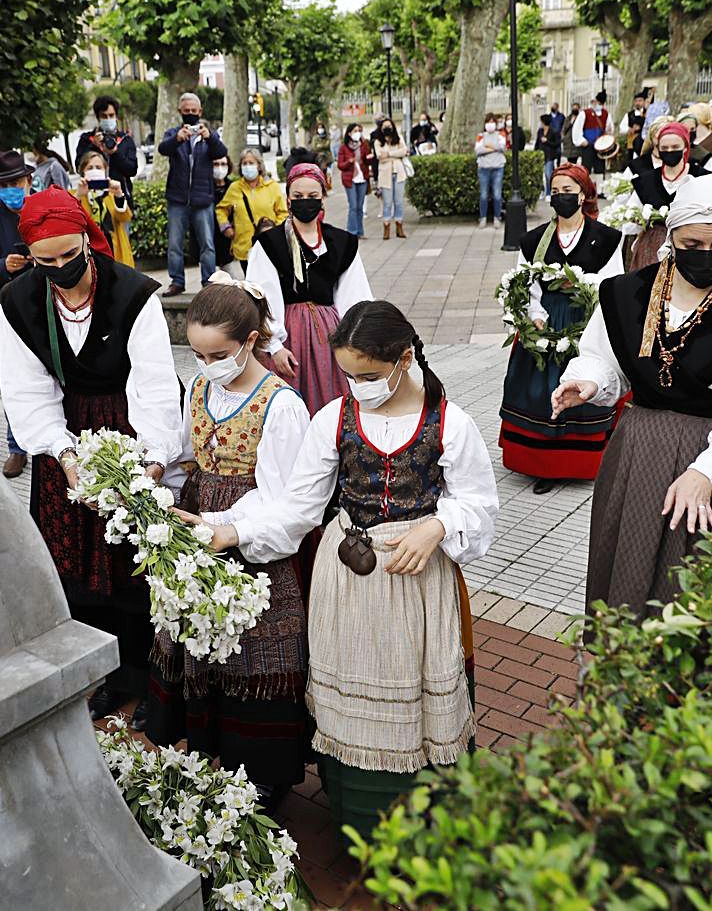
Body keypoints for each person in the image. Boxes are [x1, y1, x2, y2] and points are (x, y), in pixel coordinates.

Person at [182, 299, 498, 841]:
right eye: (348, 374)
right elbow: (298, 505)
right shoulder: (333, 419)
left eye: (369, 375)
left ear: (404, 358)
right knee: (351, 694)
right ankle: (360, 821)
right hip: (346, 577)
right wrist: (230, 530)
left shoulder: (450, 421)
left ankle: (424, 826)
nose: (357, 386)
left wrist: (437, 527)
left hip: (416, 582)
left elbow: (478, 501)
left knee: (416, 693)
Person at [556, 175, 712, 625]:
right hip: (638, 453)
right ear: (671, 235)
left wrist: (705, 471)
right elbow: (601, 356)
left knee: (700, 582)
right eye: (693, 242)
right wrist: (589, 381)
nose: (707, 253)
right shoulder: (627, 293)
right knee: (627, 570)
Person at [0, 187, 182, 728]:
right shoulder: (18, 301)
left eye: (68, 256)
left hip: (128, 425)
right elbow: (27, 392)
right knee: (79, 569)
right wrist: (62, 450)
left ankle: (156, 683)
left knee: (138, 567)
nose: (59, 268)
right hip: (68, 436)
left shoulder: (133, 293)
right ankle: (110, 677)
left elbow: (153, 387)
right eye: (45, 261)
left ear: (86, 239)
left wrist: (150, 459)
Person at [144, 275, 312, 811]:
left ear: (251, 340)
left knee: (253, 650)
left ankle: (265, 774)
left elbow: (287, 500)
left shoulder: (281, 404)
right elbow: (189, 445)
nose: (206, 363)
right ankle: (209, 748)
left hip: (250, 531)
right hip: (198, 520)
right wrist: (158, 463)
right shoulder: (201, 386)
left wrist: (229, 528)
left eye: (217, 353)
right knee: (196, 638)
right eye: (196, 353)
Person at [499, 164, 625, 493]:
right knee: (542, 391)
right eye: (555, 192)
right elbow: (526, 284)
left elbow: (613, 285)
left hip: (588, 319)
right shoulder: (534, 239)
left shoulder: (606, 238)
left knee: (584, 385)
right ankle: (546, 466)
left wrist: (591, 319)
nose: (561, 197)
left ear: (583, 194)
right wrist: (536, 318)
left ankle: (589, 460)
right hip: (547, 322)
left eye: (568, 191)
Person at [245, 162, 374, 415]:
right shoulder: (270, 244)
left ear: (323, 197)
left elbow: (354, 297)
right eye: (298, 196)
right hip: (289, 336)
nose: (306, 202)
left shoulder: (340, 242)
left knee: (336, 407)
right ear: (288, 199)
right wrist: (275, 347)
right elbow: (262, 297)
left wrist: (357, 341)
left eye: (313, 196)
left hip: (331, 336)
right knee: (288, 407)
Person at [0, 150, 44, 478]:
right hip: (11, 309)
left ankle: (55, 441)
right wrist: (3, 265)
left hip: (48, 302)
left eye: (16, 182)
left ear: (29, 180)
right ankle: (16, 447)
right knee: (15, 381)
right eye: (4, 185)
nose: (11, 190)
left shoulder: (44, 209)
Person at [159, 92, 230, 296]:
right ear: (180, 112)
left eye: (194, 111)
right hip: (177, 198)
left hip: (202, 198)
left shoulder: (209, 134)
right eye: (186, 111)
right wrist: (177, 140)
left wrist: (210, 138)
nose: (190, 114)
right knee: (174, 243)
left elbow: (221, 152)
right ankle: (177, 281)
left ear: (200, 112)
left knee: (207, 243)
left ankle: (209, 282)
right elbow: (163, 149)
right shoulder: (173, 133)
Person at [626, 121, 698, 270]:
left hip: (690, 245)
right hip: (650, 247)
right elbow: (631, 214)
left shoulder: (700, 178)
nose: (670, 151)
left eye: (675, 147)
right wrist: (638, 219)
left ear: (685, 147)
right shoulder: (645, 181)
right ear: (657, 149)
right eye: (665, 148)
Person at [216, 148, 287, 266]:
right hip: (244, 248)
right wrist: (225, 227)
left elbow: (283, 213)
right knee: (250, 283)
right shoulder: (235, 188)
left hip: (269, 245)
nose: (247, 166)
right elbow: (221, 209)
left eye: (251, 163)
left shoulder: (272, 187)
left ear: (259, 166)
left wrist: (275, 232)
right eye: (244, 163)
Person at [74, 149, 134, 267]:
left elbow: (125, 218)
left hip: (113, 252)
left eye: (98, 167)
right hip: (89, 254)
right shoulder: (76, 195)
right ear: (83, 172)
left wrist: (119, 195)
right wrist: (79, 196)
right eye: (90, 168)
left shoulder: (111, 194)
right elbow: (71, 221)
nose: (94, 170)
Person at [77, 94, 140, 206]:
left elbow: (132, 170)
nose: (108, 119)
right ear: (98, 118)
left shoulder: (125, 140)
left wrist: (115, 152)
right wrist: (94, 146)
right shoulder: (87, 139)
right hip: (93, 200)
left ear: (116, 116)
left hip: (119, 197)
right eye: (104, 116)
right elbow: (79, 167)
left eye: (111, 115)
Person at [335, 122, 373, 239]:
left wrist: (369, 158)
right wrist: (349, 161)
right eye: (355, 131)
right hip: (350, 179)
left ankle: (360, 232)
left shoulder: (363, 145)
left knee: (360, 207)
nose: (358, 133)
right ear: (349, 133)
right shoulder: (344, 147)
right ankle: (352, 232)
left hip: (362, 178)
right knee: (353, 206)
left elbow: (368, 161)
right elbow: (340, 165)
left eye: (359, 131)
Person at [376, 121, 410, 239]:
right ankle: (386, 227)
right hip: (385, 176)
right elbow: (380, 156)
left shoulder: (399, 138)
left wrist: (389, 153)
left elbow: (404, 151)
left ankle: (399, 226)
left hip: (399, 174)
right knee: (387, 203)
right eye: (384, 126)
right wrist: (395, 155)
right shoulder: (378, 142)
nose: (387, 128)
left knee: (399, 202)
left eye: (389, 126)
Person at [475, 114, 507, 230]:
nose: (490, 124)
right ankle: (482, 218)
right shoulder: (480, 136)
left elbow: (503, 147)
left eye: (492, 122)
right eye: (488, 122)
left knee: (497, 195)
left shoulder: (501, 134)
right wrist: (494, 148)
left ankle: (497, 217)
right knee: (483, 195)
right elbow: (478, 150)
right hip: (483, 168)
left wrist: (488, 146)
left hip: (498, 167)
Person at [536, 103, 563, 194]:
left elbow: (556, 143)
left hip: (549, 156)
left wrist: (547, 141)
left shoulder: (553, 131)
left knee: (548, 174)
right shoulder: (540, 131)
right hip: (540, 155)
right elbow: (537, 142)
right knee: (539, 175)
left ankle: (548, 192)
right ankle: (541, 191)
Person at [582, 95, 609, 173]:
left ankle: (600, 184)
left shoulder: (605, 113)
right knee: (586, 169)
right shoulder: (585, 113)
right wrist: (582, 141)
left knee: (600, 168)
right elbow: (577, 129)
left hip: (600, 146)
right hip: (588, 145)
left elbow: (608, 128)